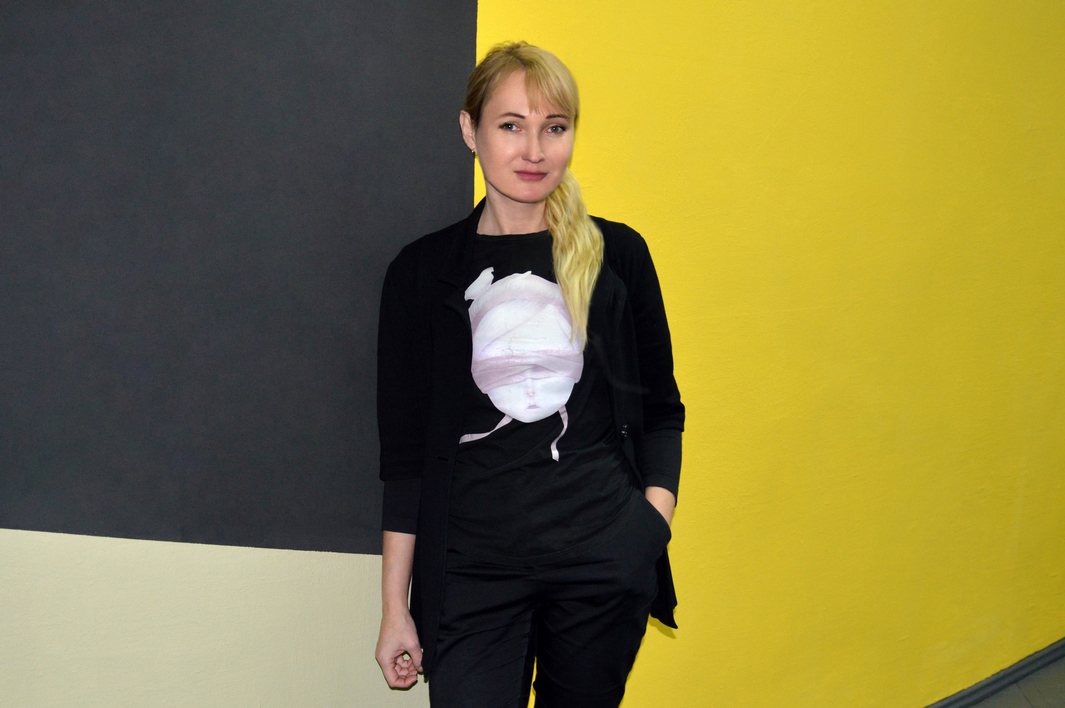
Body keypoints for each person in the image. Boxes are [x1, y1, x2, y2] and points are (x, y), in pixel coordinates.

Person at [375, 41, 684, 707]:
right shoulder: (421, 274)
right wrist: (395, 607)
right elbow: (404, 458)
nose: (534, 151)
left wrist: (646, 531)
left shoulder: (617, 257)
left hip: (602, 565)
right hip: (469, 574)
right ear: (471, 131)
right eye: (511, 125)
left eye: (554, 127)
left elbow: (661, 410)